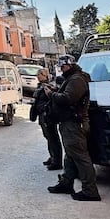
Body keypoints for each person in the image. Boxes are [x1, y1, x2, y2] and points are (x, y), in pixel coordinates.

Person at [46, 54, 101, 201]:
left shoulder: (76, 79)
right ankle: (66, 183)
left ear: (69, 65)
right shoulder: (72, 78)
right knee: (70, 156)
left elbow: (67, 99)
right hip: (69, 123)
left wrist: (51, 94)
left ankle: (90, 191)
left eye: (63, 67)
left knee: (80, 157)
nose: (61, 70)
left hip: (74, 124)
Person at [29, 69, 62, 170]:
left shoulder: (50, 86)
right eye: (37, 75)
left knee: (53, 138)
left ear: (45, 75)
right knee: (48, 137)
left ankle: (57, 161)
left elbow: (53, 99)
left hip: (48, 115)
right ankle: (52, 157)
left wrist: (45, 109)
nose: (38, 76)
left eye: (40, 75)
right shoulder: (41, 86)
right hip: (42, 115)